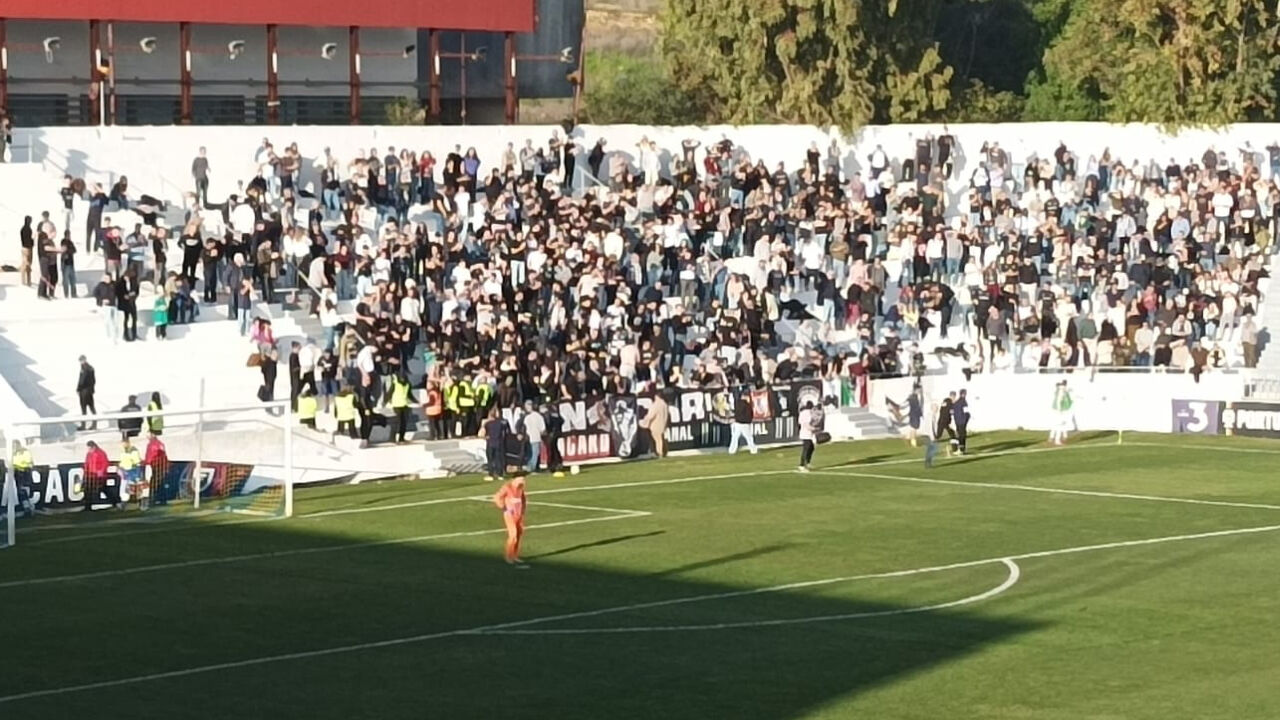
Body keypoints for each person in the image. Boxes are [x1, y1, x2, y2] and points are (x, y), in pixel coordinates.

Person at [492, 474, 528, 567]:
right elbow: (497, 497)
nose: (523, 481)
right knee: (513, 535)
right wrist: (503, 506)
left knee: (519, 534)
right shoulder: (507, 487)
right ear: (515, 479)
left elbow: (523, 500)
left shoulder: (520, 489)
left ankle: (515, 555)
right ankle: (508, 556)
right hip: (510, 515)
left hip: (519, 515)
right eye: (521, 479)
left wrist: (523, 510)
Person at [82, 440, 117, 511]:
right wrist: (85, 471)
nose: (88, 450)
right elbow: (87, 463)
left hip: (99, 476)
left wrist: (101, 471)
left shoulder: (101, 453)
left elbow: (105, 463)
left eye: (90, 448)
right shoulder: (89, 454)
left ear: (94, 447)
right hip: (91, 475)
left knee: (103, 489)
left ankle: (115, 503)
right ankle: (87, 507)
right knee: (88, 491)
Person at [479, 409, 509, 482]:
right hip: (498, 443)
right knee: (498, 459)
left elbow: (482, 434)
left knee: (490, 459)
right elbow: (506, 431)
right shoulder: (501, 423)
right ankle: (500, 474)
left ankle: (491, 474)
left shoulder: (487, 424)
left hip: (490, 443)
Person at [728, 391, 759, 455]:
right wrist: (749, 421)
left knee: (735, 437)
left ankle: (731, 450)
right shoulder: (747, 405)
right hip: (745, 424)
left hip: (738, 423)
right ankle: (753, 450)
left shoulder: (737, 403)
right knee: (749, 438)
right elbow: (749, 414)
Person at [640, 391, 670, 458]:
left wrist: (644, 422)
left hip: (655, 424)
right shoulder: (665, 404)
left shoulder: (656, 404)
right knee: (661, 439)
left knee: (658, 440)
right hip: (663, 424)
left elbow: (650, 415)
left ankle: (660, 453)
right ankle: (664, 452)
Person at [144, 431, 170, 506]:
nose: (147, 437)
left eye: (148, 435)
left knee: (156, 482)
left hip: (156, 464)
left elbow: (153, 455)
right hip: (155, 464)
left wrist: (148, 462)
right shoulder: (156, 444)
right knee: (159, 482)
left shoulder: (154, 444)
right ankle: (161, 499)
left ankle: (155, 499)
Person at [119, 439, 145, 511]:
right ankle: (124, 504)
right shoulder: (124, 451)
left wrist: (137, 473)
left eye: (124, 444)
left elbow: (137, 462)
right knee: (125, 489)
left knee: (135, 488)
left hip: (132, 471)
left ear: (128, 443)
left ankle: (140, 504)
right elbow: (123, 461)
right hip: (125, 471)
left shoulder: (133, 451)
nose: (123, 446)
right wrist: (120, 468)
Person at [11, 441, 36, 517]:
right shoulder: (14, 453)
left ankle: (30, 508)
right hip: (18, 473)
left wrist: (17, 465)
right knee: (21, 491)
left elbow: (29, 462)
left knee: (24, 490)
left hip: (24, 472)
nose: (13, 447)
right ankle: (27, 508)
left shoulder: (25, 452)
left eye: (14, 446)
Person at [521, 401, 546, 472]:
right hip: (536, 437)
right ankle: (531, 467)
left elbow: (524, 427)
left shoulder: (527, 417)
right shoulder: (539, 417)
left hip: (528, 437)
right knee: (535, 454)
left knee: (530, 453)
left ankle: (530, 466)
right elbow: (543, 429)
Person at [543, 404, 565, 478]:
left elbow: (548, 423)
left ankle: (551, 466)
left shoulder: (548, 414)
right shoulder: (557, 415)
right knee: (555, 449)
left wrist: (548, 431)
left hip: (551, 434)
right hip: (557, 433)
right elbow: (562, 421)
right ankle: (558, 462)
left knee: (550, 450)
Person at [390, 372, 412, 443]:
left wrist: (417, 401)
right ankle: (392, 438)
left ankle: (401, 438)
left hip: (404, 405)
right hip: (396, 405)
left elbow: (409, 395)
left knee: (404, 422)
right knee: (397, 422)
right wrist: (385, 401)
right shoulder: (395, 383)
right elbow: (389, 392)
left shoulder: (407, 384)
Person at [76, 356, 97, 430]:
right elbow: (94, 380)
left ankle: (83, 425)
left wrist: (78, 389)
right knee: (91, 407)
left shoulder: (85, 368)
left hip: (84, 390)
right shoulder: (90, 368)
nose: (80, 362)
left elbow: (82, 380)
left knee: (84, 408)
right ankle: (94, 424)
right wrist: (92, 389)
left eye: (81, 360)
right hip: (89, 390)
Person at [797, 401, 819, 472]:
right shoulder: (808, 413)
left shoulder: (802, 413)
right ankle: (802, 465)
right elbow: (807, 424)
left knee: (811, 447)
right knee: (806, 449)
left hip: (804, 433)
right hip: (807, 433)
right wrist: (814, 429)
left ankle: (807, 462)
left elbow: (800, 423)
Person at [1049, 381, 1074, 446]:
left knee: (1058, 424)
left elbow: (1068, 390)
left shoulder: (1061, 390)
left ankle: (1053, 438)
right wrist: (1060, 411)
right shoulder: (1061, 391)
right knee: (1060, 425)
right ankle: (1057, 440)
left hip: (1058, 410)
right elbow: (1059, 402)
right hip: (1059, 411)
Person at [952, 389, 970, 454]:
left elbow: (953, 413)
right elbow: (966, 413)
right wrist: (967, 419)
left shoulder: (955, 403)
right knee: (963, 435)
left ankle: (956, 449)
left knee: (958, 435)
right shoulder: (963, 401)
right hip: (962, 421)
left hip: (957, 421)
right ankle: (962, 449)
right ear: (964, 394)